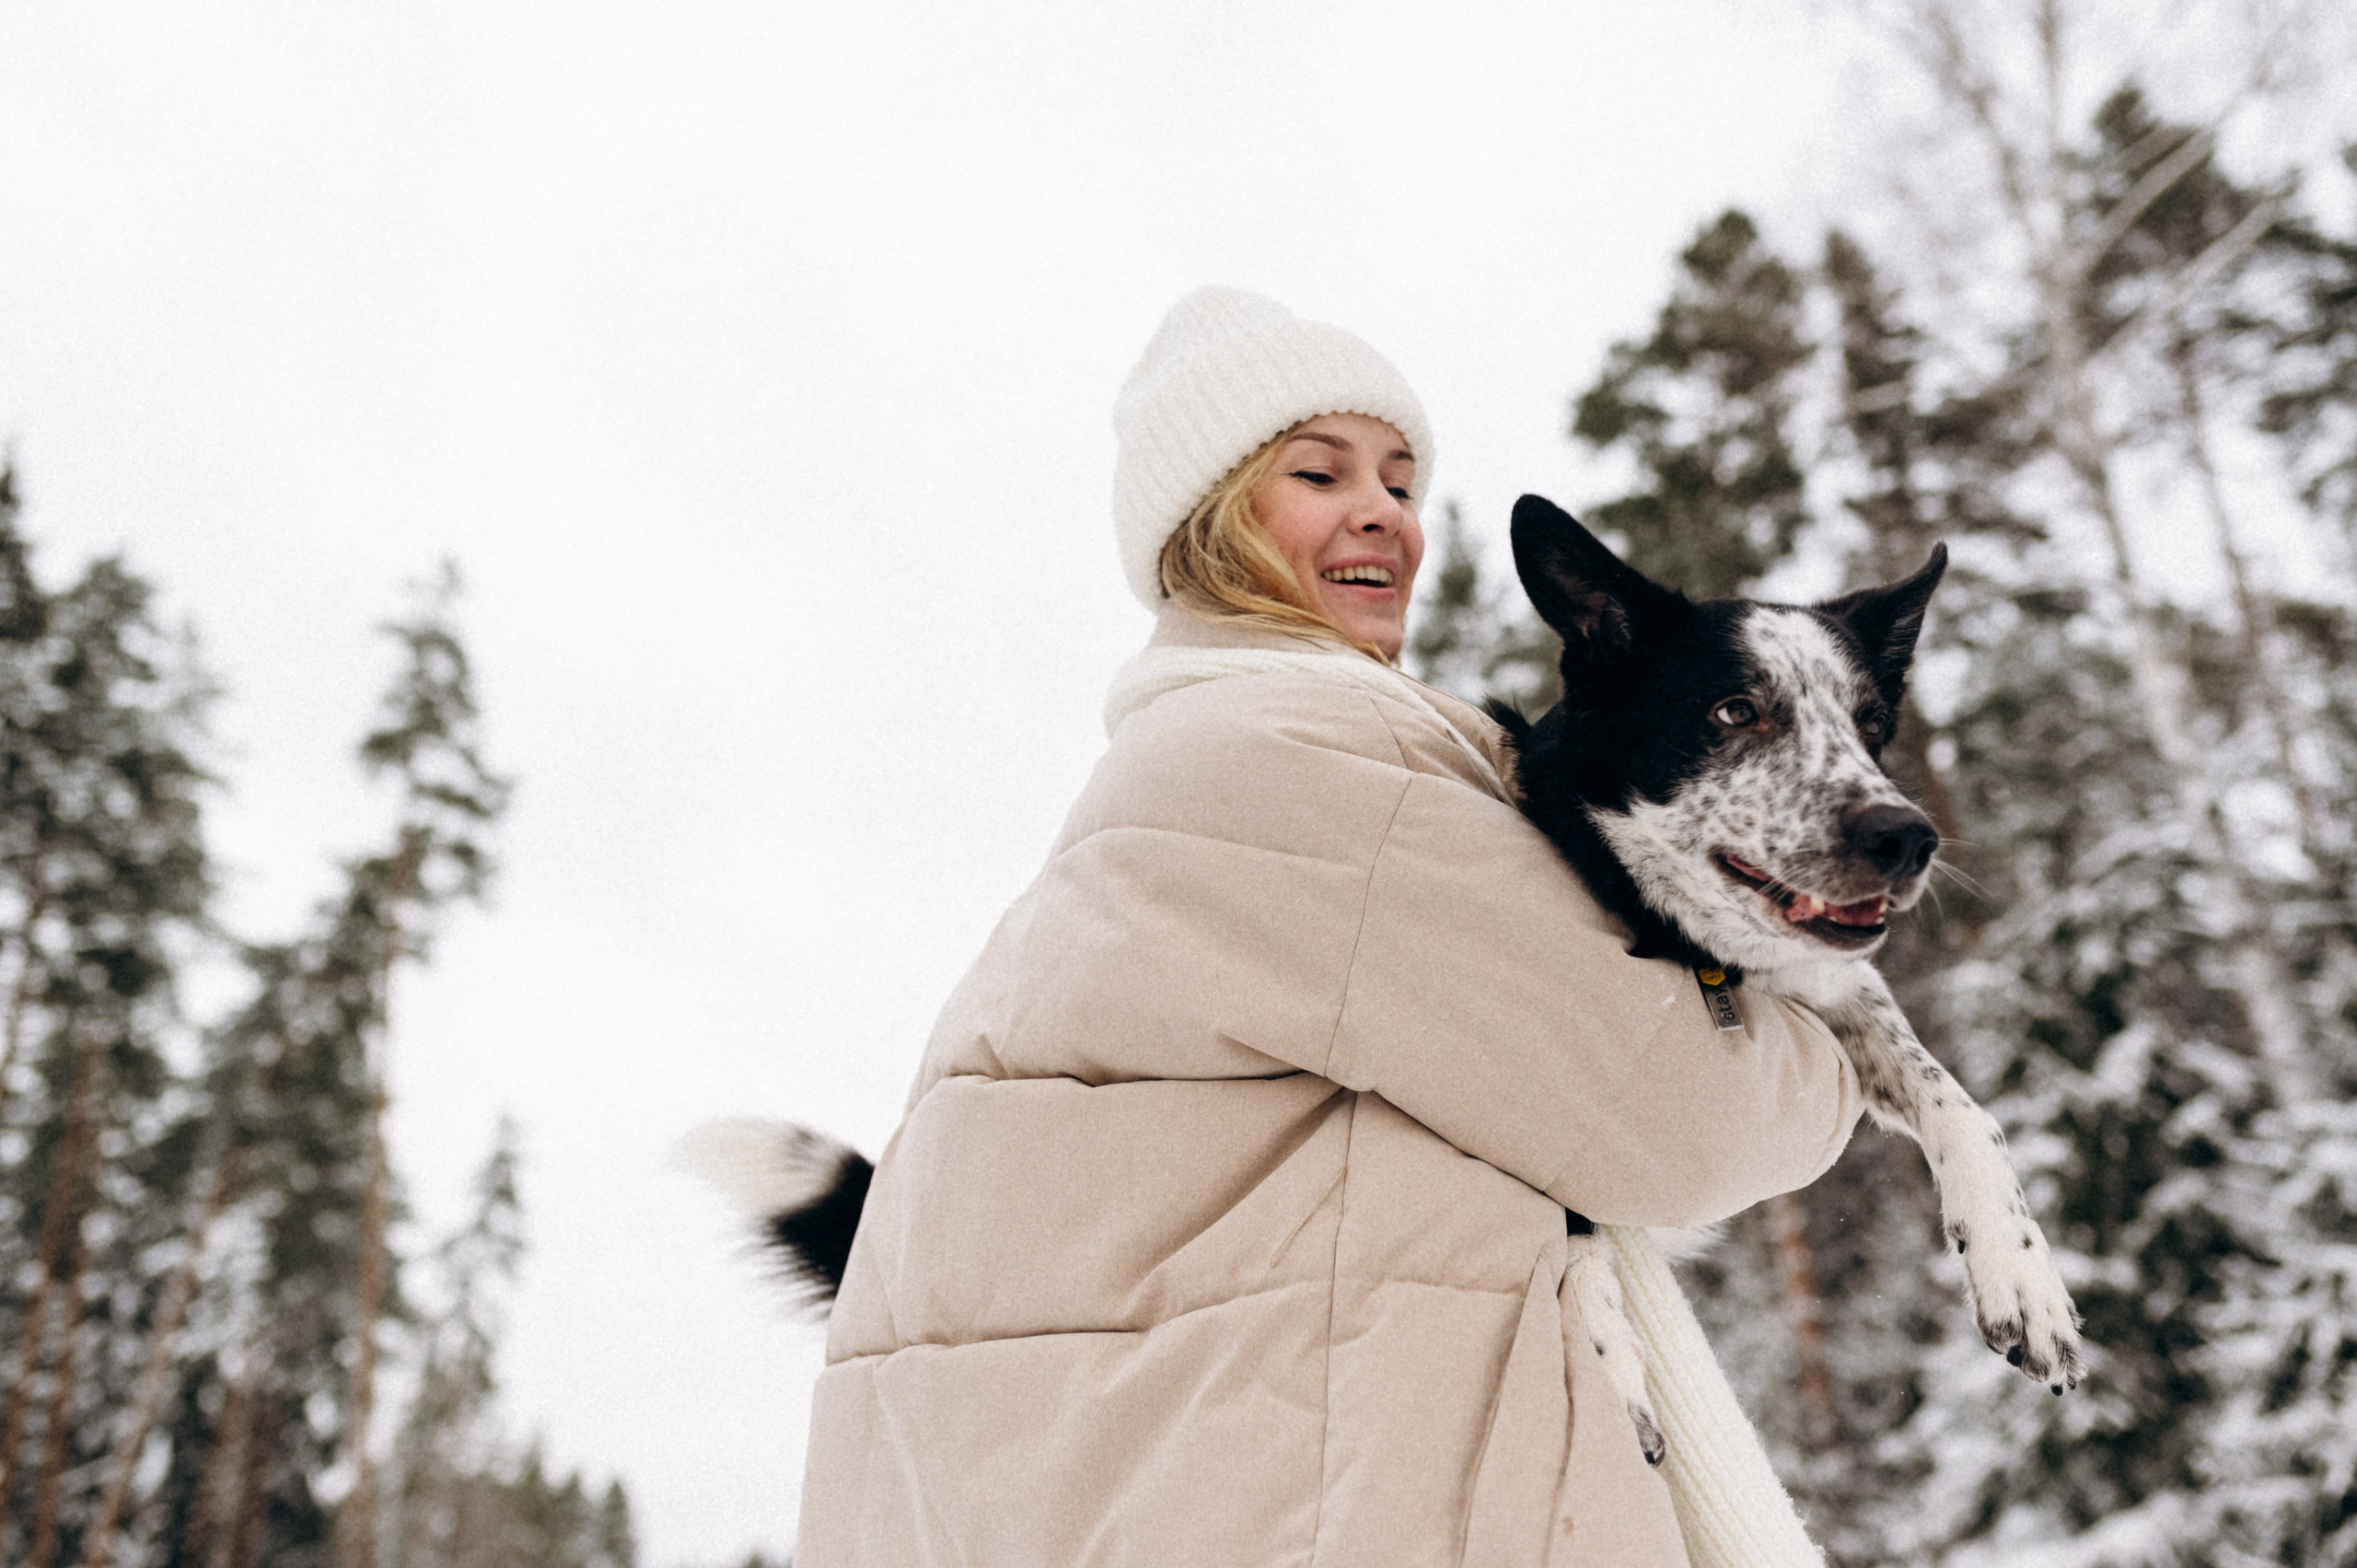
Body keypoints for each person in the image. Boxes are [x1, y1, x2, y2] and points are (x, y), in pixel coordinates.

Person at [793, 286, 1862, 1567]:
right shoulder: (1298, 759)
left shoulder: (1165, 785)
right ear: (1208, 524)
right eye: (1319, 471)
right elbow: (1681, 1120)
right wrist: (1828, 1042)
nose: (1385, 514)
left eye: (1403, 482)